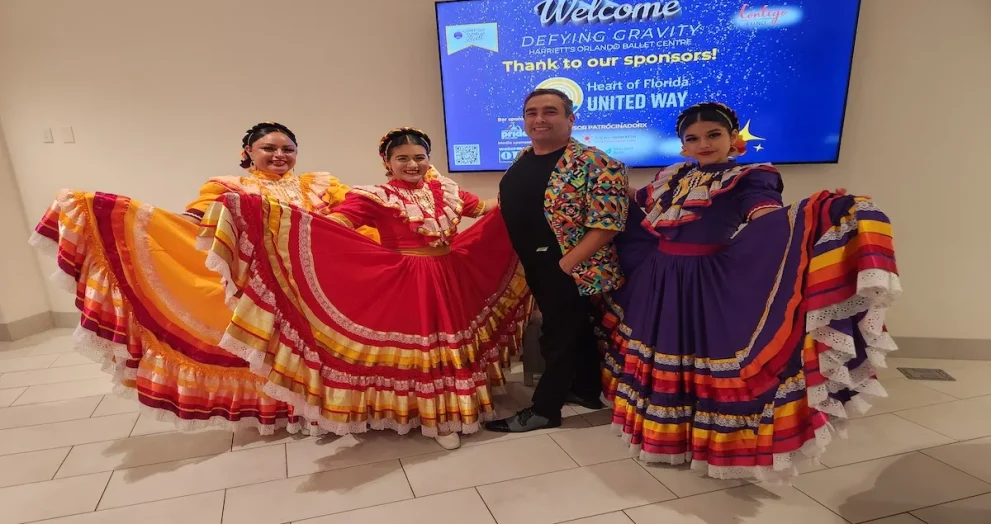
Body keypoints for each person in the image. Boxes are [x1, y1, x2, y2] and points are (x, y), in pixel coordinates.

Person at [597, 102, 901, 480]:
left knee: (704, 354)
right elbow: (639, 210)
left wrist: (822, 211)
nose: (703, 144)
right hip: (659, 277)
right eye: (693, 138)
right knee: (665, 353)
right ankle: (664, 436)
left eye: (713, 135)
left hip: (705, 279)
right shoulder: (672, 176)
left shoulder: (751, 177)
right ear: (682, 147)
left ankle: (709, 443)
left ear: (732, 139)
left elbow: (767, 219)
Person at [30, 122, 377, 435]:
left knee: (320, 344)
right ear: (248, 153)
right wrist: (142, 218)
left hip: (315, 279)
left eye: (288, 149)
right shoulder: (230, 186)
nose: (279, 155)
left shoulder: (318, 184)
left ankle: (331, 404)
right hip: (261, 283)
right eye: (268, 148)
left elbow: (353, 217)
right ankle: (286, 408)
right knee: (272, 345)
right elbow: (198, 221)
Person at [196, 127, 532, 450]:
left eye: (420, 156)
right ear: (387, 163)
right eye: (402, 158)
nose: (412, 164)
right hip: (408, 279)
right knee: (425, 348)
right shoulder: (375, 196)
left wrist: (522, 182)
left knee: (452, 343)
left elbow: (483, 209)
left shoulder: (446, 190)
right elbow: (337, 223)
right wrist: (280, 219)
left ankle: (457, 407)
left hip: (449, 273)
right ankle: (435, 419)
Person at [485, 88, 629, 433]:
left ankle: (544, 410)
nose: (539, 119)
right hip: (536, 266)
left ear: (570, 119)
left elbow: (607, 225)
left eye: (550, 111)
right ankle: (584, 390)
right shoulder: (524, 157)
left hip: (573, 268)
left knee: (557, 336)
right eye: (531, 112)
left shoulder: (598, 162)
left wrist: (564, 266)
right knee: (575, 331)